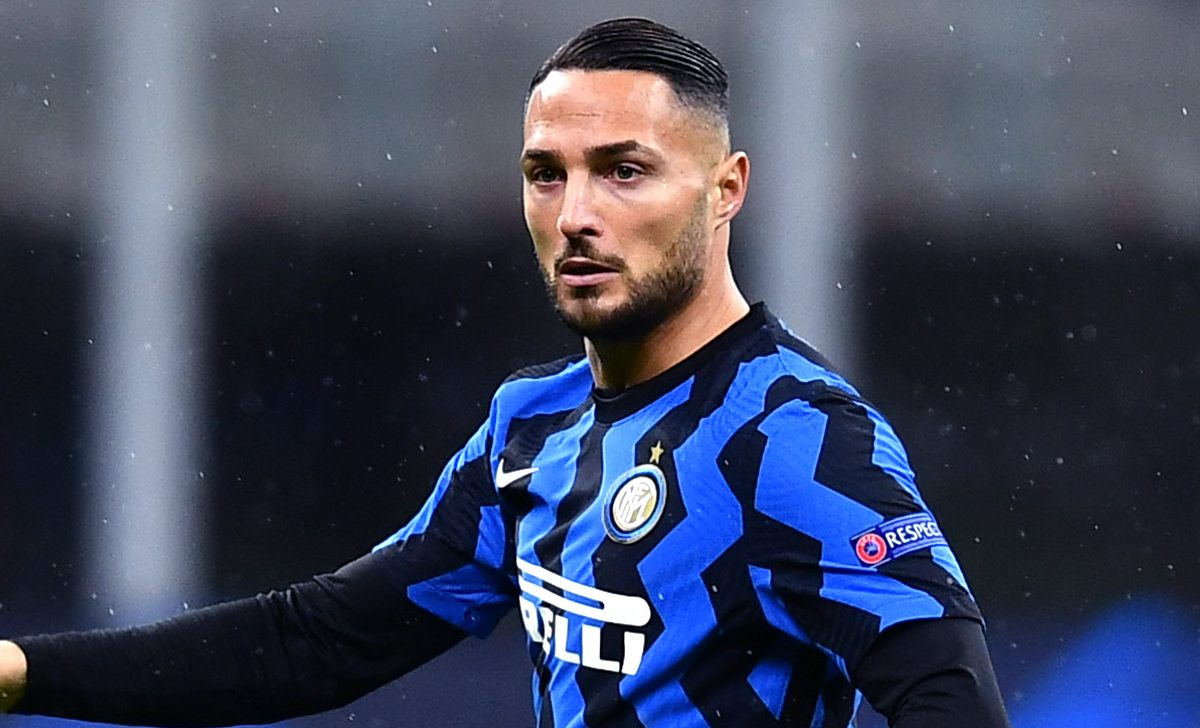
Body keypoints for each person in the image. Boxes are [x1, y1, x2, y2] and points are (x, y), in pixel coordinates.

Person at [0, 17, 1010, 728]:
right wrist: (20, 670)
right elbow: (322, 641)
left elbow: (950, 696)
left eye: (623, 170)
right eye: (545, 174)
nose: (576, 213)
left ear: (725, 188)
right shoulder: (533, 427)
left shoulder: (793, 432)